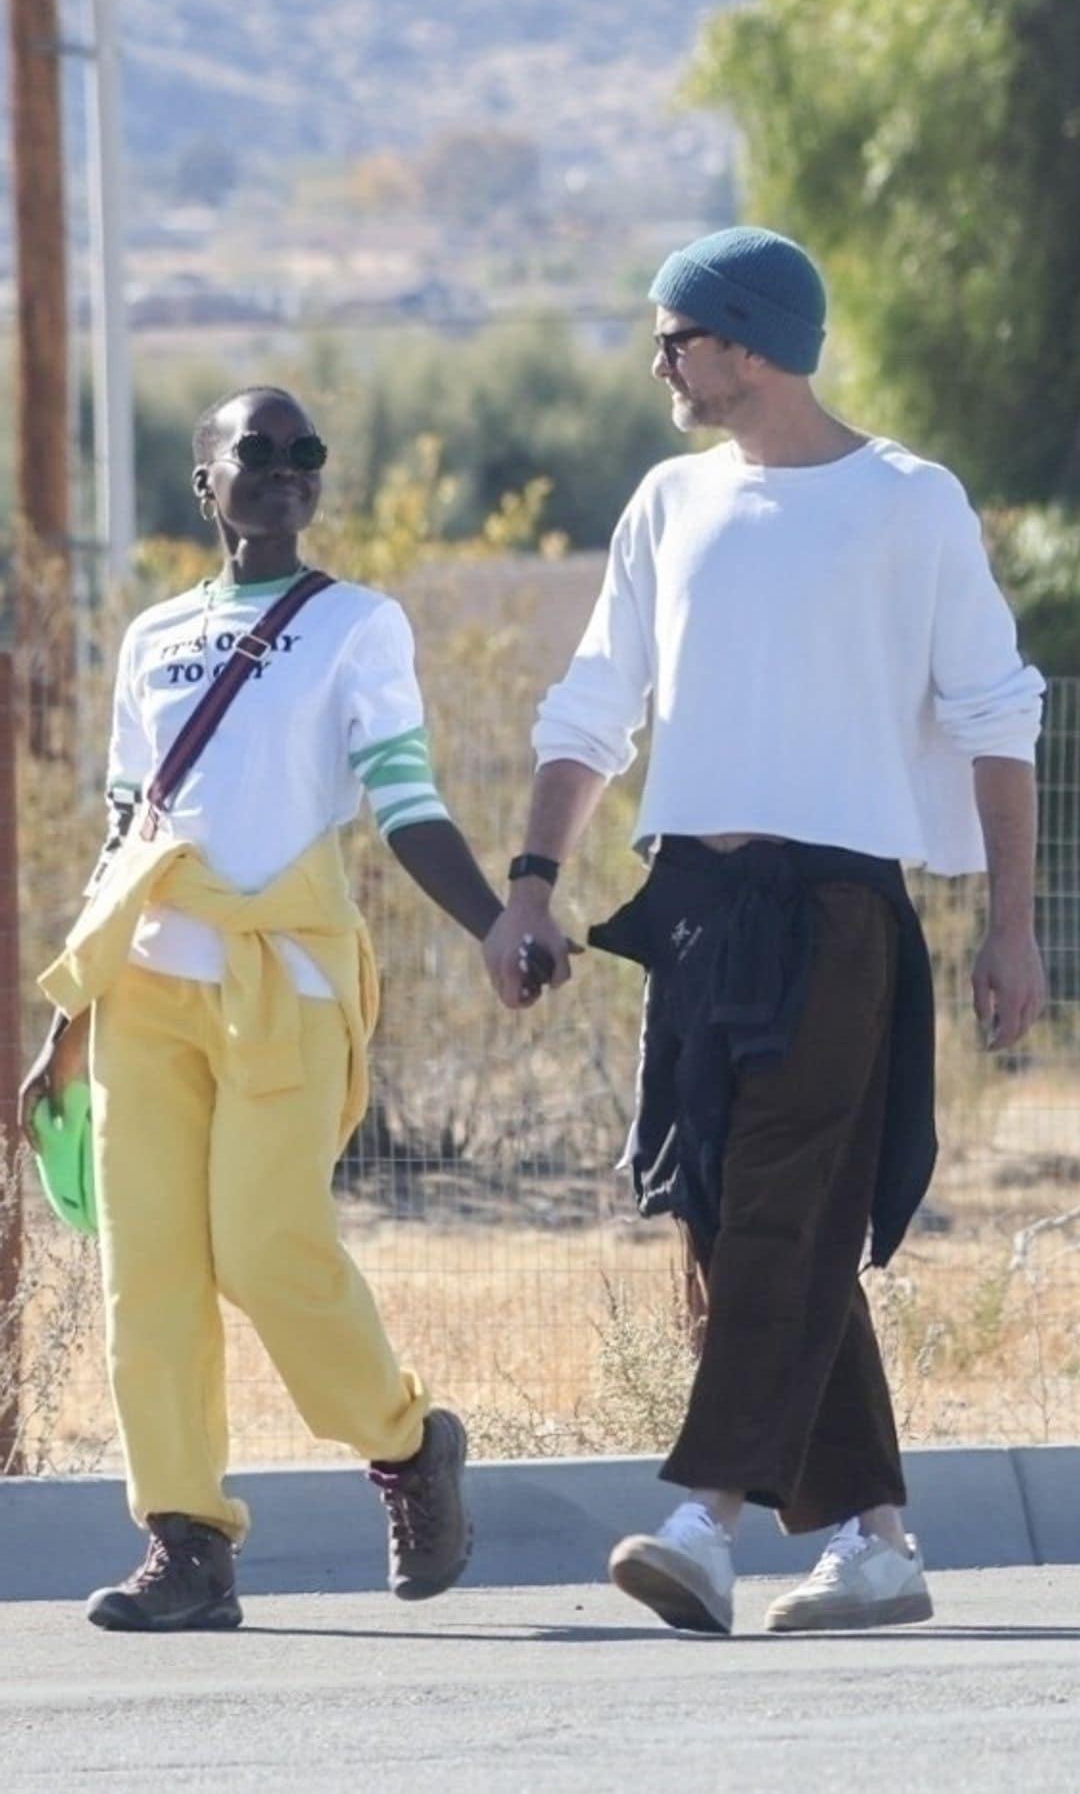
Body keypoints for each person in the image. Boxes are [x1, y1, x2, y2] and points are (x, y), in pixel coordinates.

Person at [483, 227, 1046, 1636]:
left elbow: (998, 719)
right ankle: (878, 1542)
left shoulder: (911, 503)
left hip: (839, 910)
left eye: (673, 335)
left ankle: (706, 1520)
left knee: (789, 1213)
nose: (658, 361)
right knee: (725, 1225)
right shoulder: (669, 504)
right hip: (692, 910)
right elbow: (593, 705)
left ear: (745, 342)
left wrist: (1012, 931)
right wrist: (535, 876)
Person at [19, 384, 535, 1632]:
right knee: (148, 1278)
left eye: (308, 455)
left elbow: (405, 803)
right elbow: (124, 832)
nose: (291, 471)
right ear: (208, 483)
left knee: (264, 1248)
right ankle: (185, 1542)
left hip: (286, 981)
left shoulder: (360, 624)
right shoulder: (150, 638)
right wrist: (69, 1018)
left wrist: (496, 921)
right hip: (147, 985)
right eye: (262, 454)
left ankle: (409, 1447)